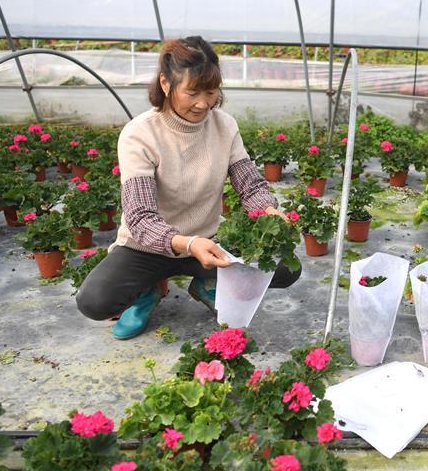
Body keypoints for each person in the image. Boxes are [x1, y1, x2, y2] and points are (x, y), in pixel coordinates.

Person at [76, 36, 300, 339]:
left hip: (209, 241)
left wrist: (268, 210)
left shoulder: (225, 126)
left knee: (286, 268)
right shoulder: (139, 135)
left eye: (211, 91)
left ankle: (207, 283)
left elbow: (250, 185)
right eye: (192, 92)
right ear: (166, 84)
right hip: (146, 248)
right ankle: (148, 290)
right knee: (94, 301)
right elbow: (140, 217)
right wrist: (188, 243)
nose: (203, 103)